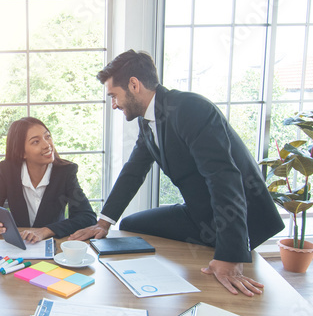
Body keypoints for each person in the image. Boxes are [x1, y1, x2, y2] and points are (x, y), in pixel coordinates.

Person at [68, 50, 284, 296]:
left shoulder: (191, 108)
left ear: (134, 85)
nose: (114, 104)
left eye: (114, 96)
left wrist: (231, 256)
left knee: (222, 270)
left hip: (237, 217)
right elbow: (134, 171)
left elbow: (224, 179)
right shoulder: (147, 121)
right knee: (130, 225)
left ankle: (218, 255)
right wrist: (103, 223)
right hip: (199, 213)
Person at [0, 117, 96, 243]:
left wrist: (46, 230)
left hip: (53, 245)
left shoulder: (65, 172)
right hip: (19, 245)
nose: (47, 145)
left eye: (47, 136)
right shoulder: (9, 171)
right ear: (21, 152)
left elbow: (87, 217)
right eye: (35, 142)